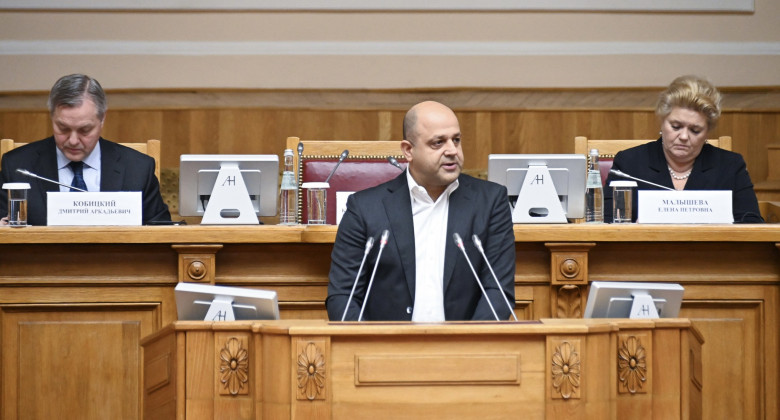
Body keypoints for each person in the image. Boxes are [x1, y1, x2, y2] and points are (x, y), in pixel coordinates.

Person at [326, 101, 516, 321]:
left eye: (456, 140)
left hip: (466, 340)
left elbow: (498, 292)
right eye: (438, 142)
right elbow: (343, 297)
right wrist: (375, 341)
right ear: (408, 150)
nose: (452, 151)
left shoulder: (490, 202)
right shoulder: (364, 208)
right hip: (386, 341)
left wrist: (467, 340)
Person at [0, 74, 170, 225]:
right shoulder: (17, 166)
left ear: (102, 119)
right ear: (52, 117)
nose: (73, 141)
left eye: (84, 130)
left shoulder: (138, 169)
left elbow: (161, 233)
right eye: (63, 129)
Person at [603, 75, 763, 223]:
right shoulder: (629, 163)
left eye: (695, 130)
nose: (684, 136)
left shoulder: (730, 166)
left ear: (707, 132)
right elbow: (606, 224)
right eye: (676, 126)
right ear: (662, 122)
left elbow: (752, 223)